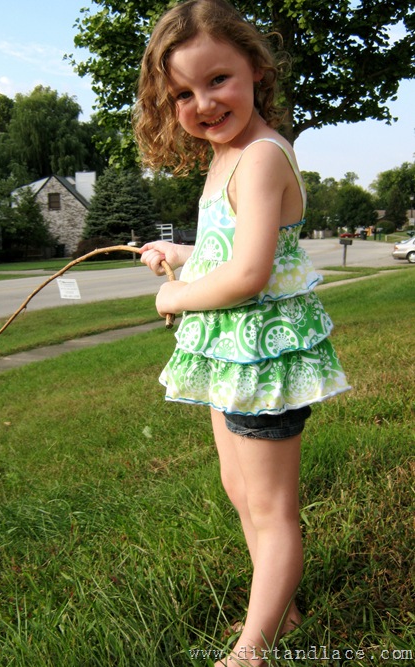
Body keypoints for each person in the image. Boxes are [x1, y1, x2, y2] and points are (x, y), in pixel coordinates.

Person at [135, 0, 350, 664]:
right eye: (183, 93)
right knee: (240, 489)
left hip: (265, 358)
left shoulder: (260, 157)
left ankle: (252, 650)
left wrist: (175, 295)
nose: (203, 103)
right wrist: (180, 255)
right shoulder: (225, 156)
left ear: (256, 68)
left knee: (271, 507)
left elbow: (251, 274)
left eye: (218, 79)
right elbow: (229, 249)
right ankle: (280, 612)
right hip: (232, 356)